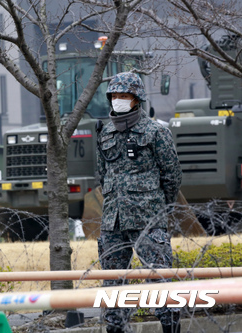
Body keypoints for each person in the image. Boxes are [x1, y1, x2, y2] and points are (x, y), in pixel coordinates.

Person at [95, 72, 182, 333]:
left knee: (158, 278)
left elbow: (172, 174)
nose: (118, 100)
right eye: (115, 96)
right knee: (112, 283)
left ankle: (169, 326)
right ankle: (115, 327)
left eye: (125, 96)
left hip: (148, 218)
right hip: (113, 220)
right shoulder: (105, 131)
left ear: (137, 99)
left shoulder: (156, 132)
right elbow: (103, 173)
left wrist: (159, 207)